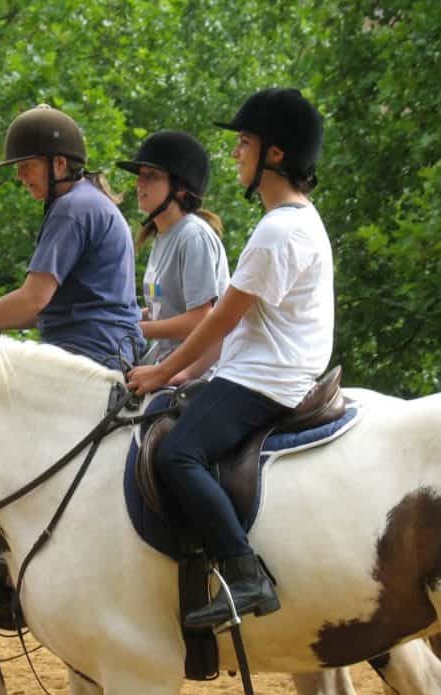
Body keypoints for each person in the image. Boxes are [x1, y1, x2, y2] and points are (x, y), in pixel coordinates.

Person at [126, 88, 332, 629]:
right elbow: (229, 329)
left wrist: (162, 371)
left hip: (265, 380)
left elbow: (219, 319)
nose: (235, 154)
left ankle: (245, 573)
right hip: (262, 370)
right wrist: (186, 374)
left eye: (244, 143)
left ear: (276, 155)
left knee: (177, 456)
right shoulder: (295, 221)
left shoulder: (279, 230)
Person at [0, 104, 144, 370]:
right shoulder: (86, 200)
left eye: (27, 166)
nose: (20, 176)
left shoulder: (72, 209)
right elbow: (41, 309)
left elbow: (32, 301)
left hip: (90, 353)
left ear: (60, 164)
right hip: (103, 347)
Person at [115, 131, 229, 370]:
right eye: (140, 176)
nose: (140, 184)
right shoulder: (164, 235)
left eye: (151, 176)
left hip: (199, 372)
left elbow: (200, 319)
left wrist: (135, 328)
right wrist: (122, 318)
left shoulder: (193, 236)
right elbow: (164, 311)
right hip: (166, 362)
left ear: (180, 188)